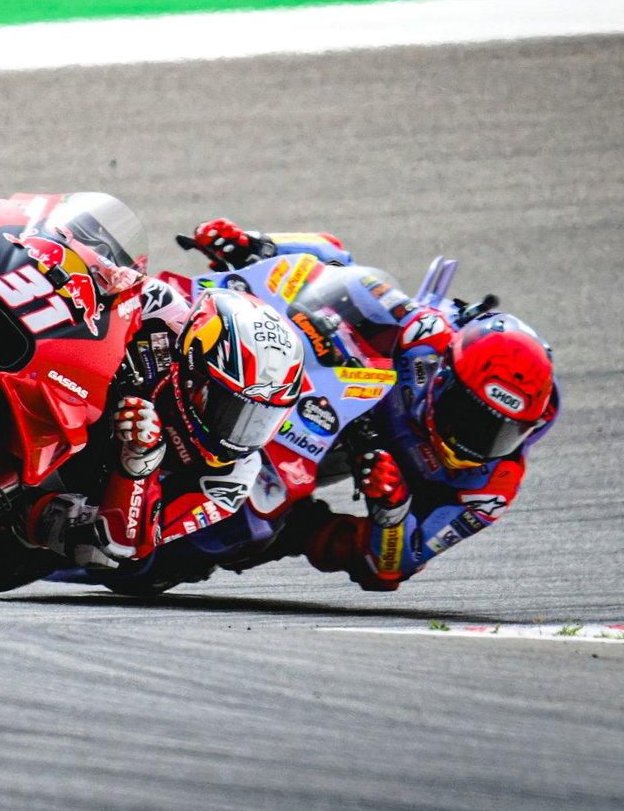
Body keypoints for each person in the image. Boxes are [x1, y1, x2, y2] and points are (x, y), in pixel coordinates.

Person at [0, 175, 307, 598]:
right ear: (195, 369)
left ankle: (14, 511)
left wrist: (140, 461)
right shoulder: (163, 311)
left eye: (259, 419)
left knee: (102, 554)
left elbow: (127, 542)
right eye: (233, 410)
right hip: (51, 391)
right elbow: (68, 249)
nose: (240, 433)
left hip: (82, 492)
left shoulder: (231, 479)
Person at [187, 218, 559, 591]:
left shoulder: (489, 490)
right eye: (470, 417)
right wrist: (259, 245)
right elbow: (338, 262)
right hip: (333, 392)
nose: (476, 440)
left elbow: (396, 565)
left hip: (368, 465)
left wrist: (392, 509)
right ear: (445, 379)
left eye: (502, 432)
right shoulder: (427, 336)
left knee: (272, 534)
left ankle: (262, 535)